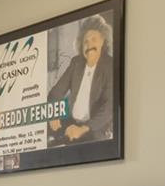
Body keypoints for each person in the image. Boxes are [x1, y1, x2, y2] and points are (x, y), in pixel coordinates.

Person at [46, 18, 114, 146]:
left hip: (94, 128)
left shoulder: (110, 65)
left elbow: (109, 108)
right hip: (70, 124)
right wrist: (53, 115)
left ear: (103, 41)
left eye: (94, 39)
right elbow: (55, 93)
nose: (89, 45)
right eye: (85, 42)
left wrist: (83, 129)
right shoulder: (76, 62)